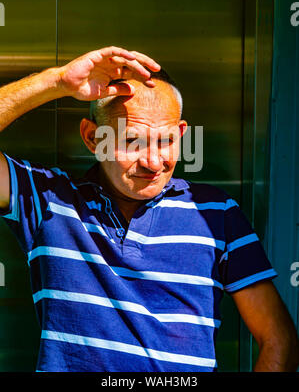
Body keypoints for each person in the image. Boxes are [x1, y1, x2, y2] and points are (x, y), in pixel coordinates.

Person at [0, 46, 298, 372]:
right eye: (132, 142)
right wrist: (57, 81)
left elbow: (278, 340)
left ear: (182, 133)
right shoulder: (48, 200)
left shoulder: (217, 213)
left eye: (166, 141)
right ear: (92, 137)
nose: (154, 162)